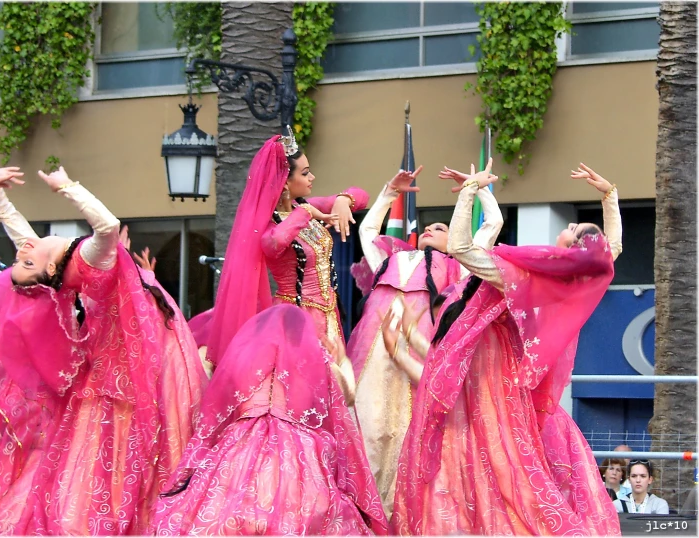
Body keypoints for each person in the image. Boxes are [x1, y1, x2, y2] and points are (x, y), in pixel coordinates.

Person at [0, 166, 208, 535]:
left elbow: (17, 231)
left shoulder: (55, 260)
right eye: (27, 261)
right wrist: (66, 187)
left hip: (152, 346)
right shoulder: (86, 262)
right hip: (143, 356)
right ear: (50, 268)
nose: (25, 249)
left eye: (24, 257)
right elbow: (108, 226)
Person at [390, 162, 622, 535]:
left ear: (573, 247)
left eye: (574, 227)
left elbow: (463, 247)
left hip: (485, 363)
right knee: (500, 446)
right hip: (510, 365)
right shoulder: (561, 277)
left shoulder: (526, 273)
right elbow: (610, 251)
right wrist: (609, 197)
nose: (569, 225)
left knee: (476, 443)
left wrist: (469, 194)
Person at [346, 160, 503, 515]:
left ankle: (401, 511)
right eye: (428, 226)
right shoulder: (390, 257)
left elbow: (492, 224)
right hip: (372, 355)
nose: (430, 229)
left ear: (455, 240)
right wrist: (390, 192)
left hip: (418, 357)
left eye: (441, 227)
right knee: (370, 428)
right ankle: (364, 511)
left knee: (406, 433)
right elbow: (368, 229)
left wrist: (478, 189)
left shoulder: (458, 266)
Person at [152, 304, 388, 535]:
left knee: (226, 513)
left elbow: (219, 403)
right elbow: (346, 394)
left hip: (239, 445)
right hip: (299, 453)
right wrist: (342, 361)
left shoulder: (243, 360)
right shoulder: (314, 360)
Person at [206, 130, 369, 366]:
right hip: (296, 317)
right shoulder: (273, 223)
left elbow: (361, 195)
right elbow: (273, 244)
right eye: (305, 173)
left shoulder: (307, 206)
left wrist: (344, 199)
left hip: (329, 314)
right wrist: (306, 213)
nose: (312, 177)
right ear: (284, 182)